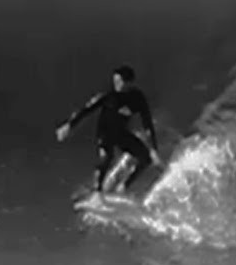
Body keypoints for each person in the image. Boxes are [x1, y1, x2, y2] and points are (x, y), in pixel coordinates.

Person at [55, 65, 161, 198]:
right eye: (115, 81)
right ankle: (97, 191)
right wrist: (69, 125)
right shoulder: (108, 96)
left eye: (119, 81)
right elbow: (86, 110)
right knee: (106, 157)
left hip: (121, 133)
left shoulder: (137, 98)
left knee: (146, 158)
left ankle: (123, 186)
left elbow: (147, 124)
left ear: (129, 82)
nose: (116, 84)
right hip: (105, 133)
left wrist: (154, 148)